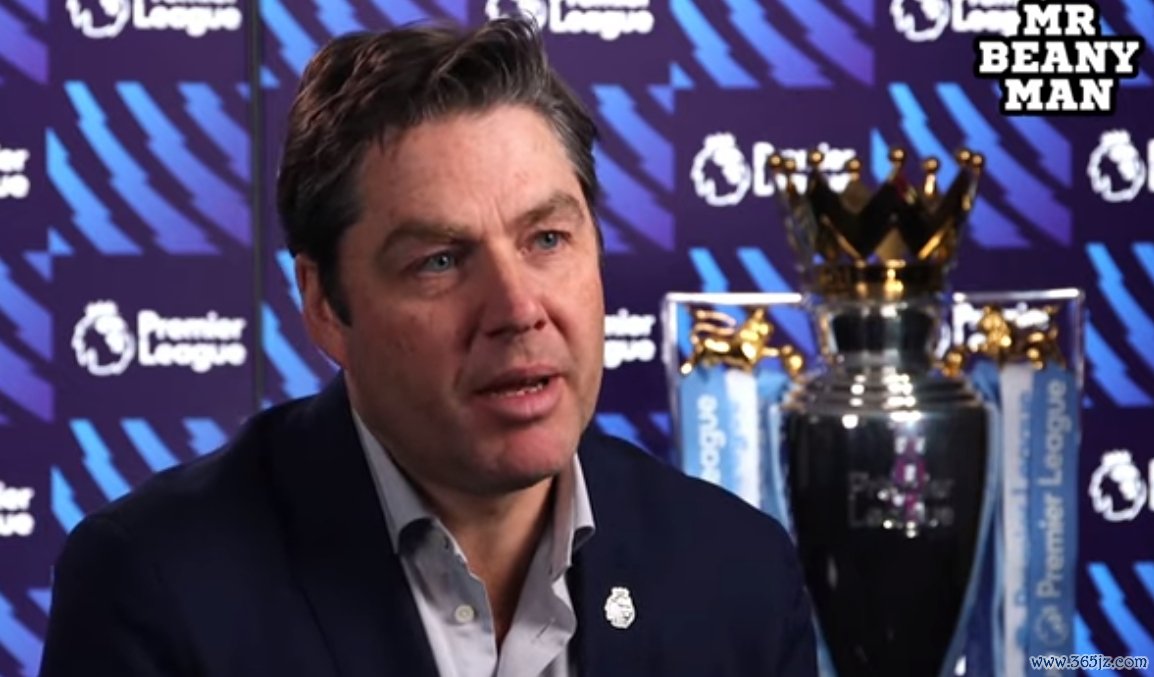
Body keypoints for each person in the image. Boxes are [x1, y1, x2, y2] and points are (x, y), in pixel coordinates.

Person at [39, 16, 817, 677]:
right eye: (440, 260)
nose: (518, 309)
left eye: (547, 239)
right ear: (324, 305)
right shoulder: (155, 588)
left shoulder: (736, 574)